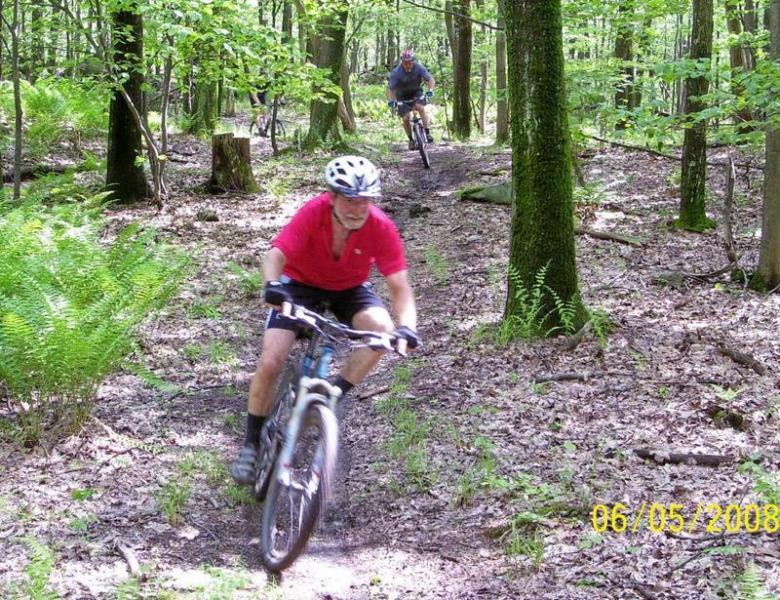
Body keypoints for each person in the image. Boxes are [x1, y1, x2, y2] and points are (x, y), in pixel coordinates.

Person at [230, 155, 420, 484]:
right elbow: (276, 255)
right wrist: (273, 286)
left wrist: (407, 328)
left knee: (382, 334)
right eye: (349, 200)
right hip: (298, 285)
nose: (357, 208)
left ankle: (335, 391)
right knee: (272, 360)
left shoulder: (380, 227)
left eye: (365, 200)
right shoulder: (313, 212)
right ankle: (250, 443)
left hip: (349, 289)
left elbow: (400, 287)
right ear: (331, 197)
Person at [387, 49, 436, 150]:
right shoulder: (396, 72)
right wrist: (391, 100)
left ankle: (427, 133)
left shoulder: (418, 67)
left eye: (409, 62)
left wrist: (430, 89)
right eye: (405, 63)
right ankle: (411, 140)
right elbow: (390, 88)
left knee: (420, 108)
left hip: (416, 92)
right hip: (402, 95)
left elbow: (429, 79)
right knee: (405, 118)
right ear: (402, 62)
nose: (407, 65)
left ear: (413, 61)